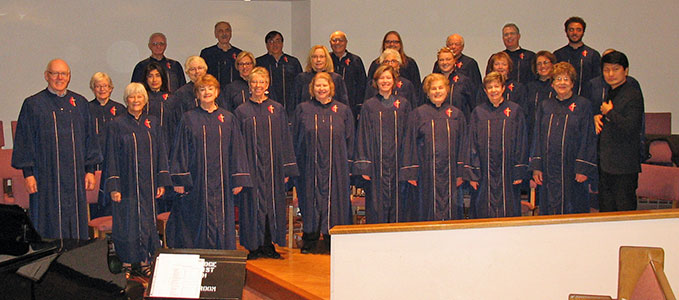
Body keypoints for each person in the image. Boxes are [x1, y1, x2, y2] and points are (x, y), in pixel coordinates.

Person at [12, 59, 102, 240]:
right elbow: (25, 140)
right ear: (46, 76)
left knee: (75, 226)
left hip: (75, 179)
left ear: (69, 77)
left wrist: (90, 170)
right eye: (55, 73)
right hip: (45, 179)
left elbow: (89, 138)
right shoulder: (33, 104)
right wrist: (28, 174)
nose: (60, 78)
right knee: (47, 225)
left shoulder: (80, 103)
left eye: (64, 74)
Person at [166, 74, 251, 250]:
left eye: (210, 88)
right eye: (202, 89)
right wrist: (179, 180)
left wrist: (238, 179)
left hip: (223, 183)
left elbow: (237, 150)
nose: (206, 92)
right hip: (197, 182)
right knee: (197, 220)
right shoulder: (188, 118)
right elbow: (180, 149)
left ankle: (222, 260)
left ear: (217, 91)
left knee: (222, 220)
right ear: (196, 94)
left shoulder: (228, 119)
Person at [103, 82, 171, 276]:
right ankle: (126, 263)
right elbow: (111, 156)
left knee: (147, 223)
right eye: (132, 97)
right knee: (127, 223)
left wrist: (161, 181)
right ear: (126, 100)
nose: (136, 100)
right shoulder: (117, 124)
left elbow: (161, 152)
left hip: (148, 185)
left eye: (139, 96)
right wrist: (114, 186)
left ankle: (144, 262)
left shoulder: (153, 123)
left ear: (145, 100)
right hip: (126, 185)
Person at [235, 67, 298, 259]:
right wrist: (240, 171)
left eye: (261, 82)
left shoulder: (277, 109)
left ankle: (269, 244)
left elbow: (286, 139)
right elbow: (236, 143)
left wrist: (286, 167)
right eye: (254, 82)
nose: (258, 86)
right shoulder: (241, 111)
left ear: (267, 85)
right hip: (251, 167)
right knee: (252, 205)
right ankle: (254, 246)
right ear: (249, 85)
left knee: (272, 204)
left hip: (273, 167)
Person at [293, 72, 354, 254]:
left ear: (331, 88)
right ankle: (310, 239)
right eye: (318, 86)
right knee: (310, 201)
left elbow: (350, 138)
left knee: (335, 203)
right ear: (312, 88)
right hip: (309, 164)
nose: (321, 89)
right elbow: (295, 137)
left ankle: (332, 239)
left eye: (325, 85)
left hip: (336, 166)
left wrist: (350, 166)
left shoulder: (342, 110)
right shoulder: (303, 109)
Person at [530, 62, 597, 215]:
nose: (562, 83)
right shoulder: (545, 106)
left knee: (574, 208)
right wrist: (537, 167)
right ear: (552, 84)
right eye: (558, 79)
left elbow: (588, 138)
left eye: (566, 79)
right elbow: (537, 136)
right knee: (549, 209)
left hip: (573, 170)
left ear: (572, 83)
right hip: (549, 169)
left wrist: (582, 168)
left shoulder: (583, 105)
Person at [401, 73, 467, 221]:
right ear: (427, 92)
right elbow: (409, 143)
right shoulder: (418, 114)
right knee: (425, 211)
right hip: (425, 174)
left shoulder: (456, 115)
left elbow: (463, 144)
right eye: (433, 89)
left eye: (440, 88)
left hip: (450, 173)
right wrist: (411, 172)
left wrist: (460, 172)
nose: (437, 91)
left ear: (447, 90)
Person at [466, 72, 528, 218]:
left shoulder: (515, 111)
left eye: (496, 86)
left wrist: (519, 170)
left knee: (509, 209)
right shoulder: (478, 113)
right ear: (485, 91)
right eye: (490, 87)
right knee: (483, 210)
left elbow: (521, 141)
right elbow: (472, 144)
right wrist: (473, 174)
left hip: (508, 171)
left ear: (503, 88)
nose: (493, 90)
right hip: (484, 172)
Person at [354, 65, 411, 223]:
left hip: (398, 163)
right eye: (381, 78)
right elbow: (362, 136)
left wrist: (407, 165)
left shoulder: (404, 105)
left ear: (394, 81)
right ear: (376, 82)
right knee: (376, 204)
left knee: (399, 204)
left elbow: (409, 136)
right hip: (376, 165)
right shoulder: (369, 106)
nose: (385, 81)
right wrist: (365, 166)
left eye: (388, 78)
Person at [595, 51, 644, 212]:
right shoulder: (609, 92)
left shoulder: (632, 94)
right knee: (606, 212)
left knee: (624, 213)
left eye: (615, 69)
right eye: (606, 69)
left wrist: (609, 113)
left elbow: (632, 127)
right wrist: (597, 118)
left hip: (624, 166)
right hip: (606, 164)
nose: (610, 74)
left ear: (626, 71)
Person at [167, 56, 227, 149]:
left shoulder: (215, 90)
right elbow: (177, 122)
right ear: (187, 72)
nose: (197, 72)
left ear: (205, 69)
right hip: (192, 142)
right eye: (192, 69)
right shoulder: (180, 94)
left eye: (200, 68)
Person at [290, 45, 349, 118]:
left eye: (322, 57)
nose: (318, 60)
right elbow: (294, 104)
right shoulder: (301, 79)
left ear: (327, 59)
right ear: (310, 59)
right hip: (307, 119)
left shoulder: (336, 79)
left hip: (333, 119)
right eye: (314, 57)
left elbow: (344, 104)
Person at [256, 31, 303, 114]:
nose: (275, 44)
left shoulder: (293, 62)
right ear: (266, 45)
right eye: (271, 41)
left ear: (282, 43)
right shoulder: (259, 62)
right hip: (265, 108)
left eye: (278, 41)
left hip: (290, 107)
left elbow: (299, 86)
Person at [554, 16, 601, 96]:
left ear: (583, 32)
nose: (574, 33)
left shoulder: (592, 55)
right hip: (563, 100)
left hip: (587, 100)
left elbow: (597, 80)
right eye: (571, 30)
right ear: (566, 32)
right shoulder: (558, 54)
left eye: (578, 30)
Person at [88, 72, 125, 171]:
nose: (102, 89)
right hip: (94, 162)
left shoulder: (120, 109)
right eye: (98, 86)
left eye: (105, 86)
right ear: (93, 89)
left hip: (117, 160)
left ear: (110, 88)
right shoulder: (86, 109)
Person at [329, 31, 367, 119]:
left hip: (351, 106)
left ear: (346, 42)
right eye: (334, 40)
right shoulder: (327, 60)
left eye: (341, 40)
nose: (337, 43)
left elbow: (362, 85)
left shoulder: (355, 60)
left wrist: (359, 107)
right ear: (330, 43)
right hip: (329, 105)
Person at [433, 47, 476, 119]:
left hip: (458, 123)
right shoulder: (431, 82)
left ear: (454, 61)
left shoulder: (464, 81)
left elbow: (472, 106)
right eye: (441, 60)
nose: (445, 62)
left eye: (448, 59)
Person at [525, 51, 556, 143]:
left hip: (553, 131)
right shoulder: (529, 87)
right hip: (532, 132)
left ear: (552, 64)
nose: (542, 66)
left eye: (546, 62)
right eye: (539, 64)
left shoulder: (558, 86)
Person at [200, 21, 242, 88]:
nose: (224, 33)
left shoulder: (239, 54)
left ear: (231, 33)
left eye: (227, 30)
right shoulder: (207, 53)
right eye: (220, 31)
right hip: (213, 91)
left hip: (234, 92)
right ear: (216, 34)